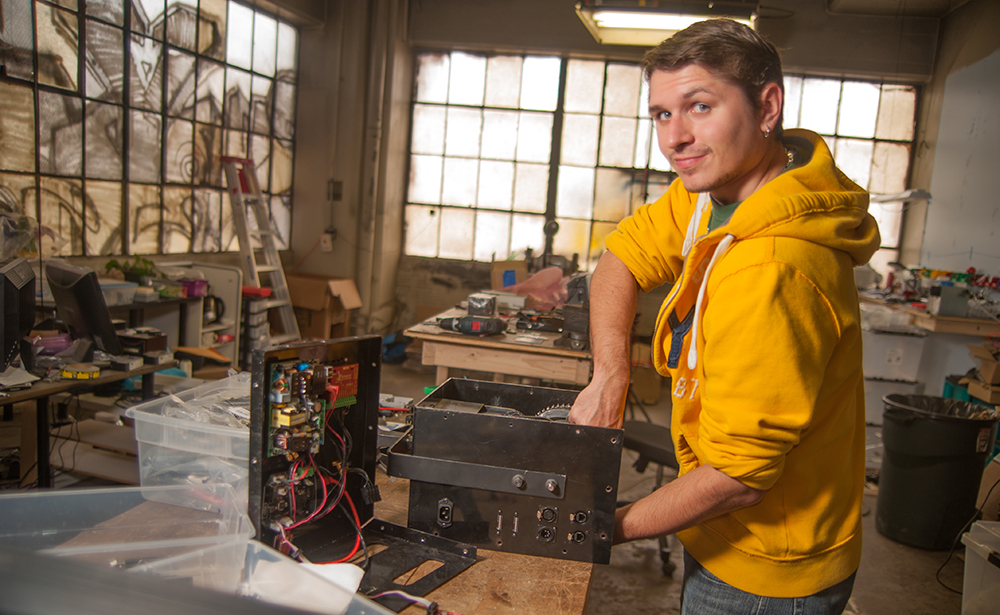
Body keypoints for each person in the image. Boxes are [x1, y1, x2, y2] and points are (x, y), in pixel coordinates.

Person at [568, 18, 880, 614]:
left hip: (767, 566)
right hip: (718, 525)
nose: (674, 138)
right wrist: (611, 373)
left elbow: (738, 479)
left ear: (768, 106)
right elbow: (621, 258)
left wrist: (602, 526)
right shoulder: (710, 194)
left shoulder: (774, 267)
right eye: (661, 114)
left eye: (699, 106)